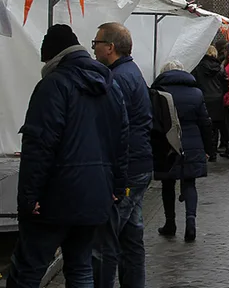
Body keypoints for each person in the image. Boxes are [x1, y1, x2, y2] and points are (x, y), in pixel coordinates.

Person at [8, 25, 128, 288]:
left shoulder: (53, 85)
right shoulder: (110, 85)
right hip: (95, 194)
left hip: (55, 197)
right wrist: (116, 187)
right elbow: (121, 140)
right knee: (80, 266)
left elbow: (39, 146)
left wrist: (29, 198)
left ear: (54, 57)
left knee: (30, 269)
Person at [91, 22, 153, 288]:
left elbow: (115, 128)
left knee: (105, 241)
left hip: (127, 170)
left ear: (110, 47)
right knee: (131, 237)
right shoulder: (131, 71)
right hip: (139, 165)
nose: (93, 48)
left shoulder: (116, 79)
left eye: (96, 43)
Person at [152, 61, 212, 243]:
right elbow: (204, 122)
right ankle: (190, 221)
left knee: (167, 184)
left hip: (167, 144)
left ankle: (170, 223)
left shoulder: (158, 93)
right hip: (192, 142)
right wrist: (208, 148)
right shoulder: (196, 93)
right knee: (189, 183)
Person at [191, 46, 229, 162]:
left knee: (205, 126)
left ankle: (206, 150)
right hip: (217, 99)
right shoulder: (220, 67)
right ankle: (213, 153)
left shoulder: (198, 67)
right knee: (216, 126)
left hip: (203, 97)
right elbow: (225, 83)